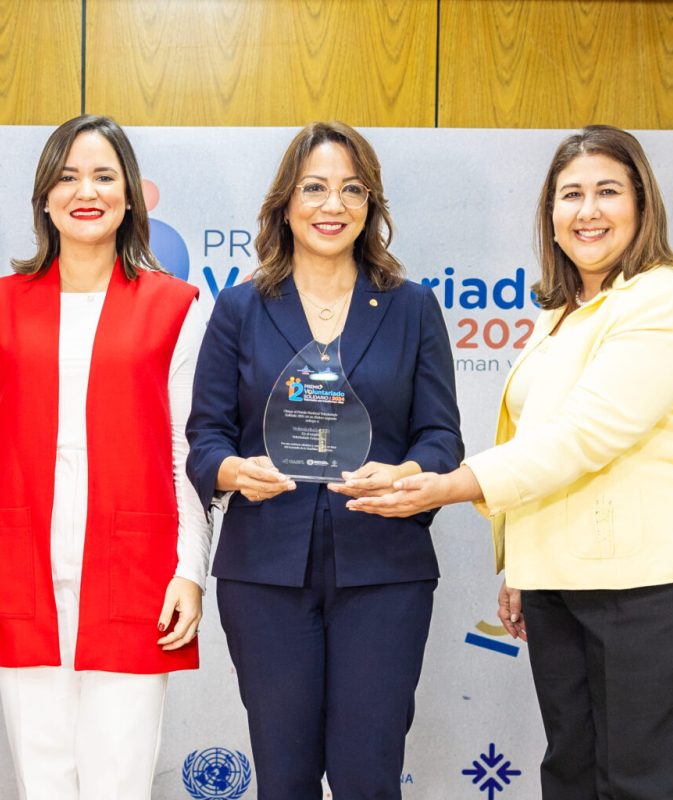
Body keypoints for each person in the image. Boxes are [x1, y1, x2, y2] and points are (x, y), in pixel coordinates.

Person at [351, 124, 673, 800]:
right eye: (570, 195)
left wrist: (446, 486)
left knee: (639, 785)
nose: (587, 211)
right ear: (550, 217)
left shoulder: (664, 302)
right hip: (563, 580)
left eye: (607, 192)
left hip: (646, 587)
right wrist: (526, 566)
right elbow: (541, 440)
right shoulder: (566, 312)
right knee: (570, 776)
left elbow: (584, 437)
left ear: (642, 205)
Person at [185, 120, 462, 799]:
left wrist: (406, 473)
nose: (331, 205)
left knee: (369, 776)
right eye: (314, 187)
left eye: (351, 189)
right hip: (266, 574)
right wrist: (231, 473)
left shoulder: (412, 307)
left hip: (384, 570)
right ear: (286, 201)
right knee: (284, 776)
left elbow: (441, 439)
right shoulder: (240, 308)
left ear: (371, 206)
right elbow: (205, 440)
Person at [0, 114, 208, 800]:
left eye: (102, 175)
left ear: (130, 195)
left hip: (137, 569)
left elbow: (188, 447)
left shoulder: (174, 307)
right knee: (44, 779)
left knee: (119, 778)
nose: (84, 191)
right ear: (43, 196)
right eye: (66, 177)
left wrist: (191, 570)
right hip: (19, 568)